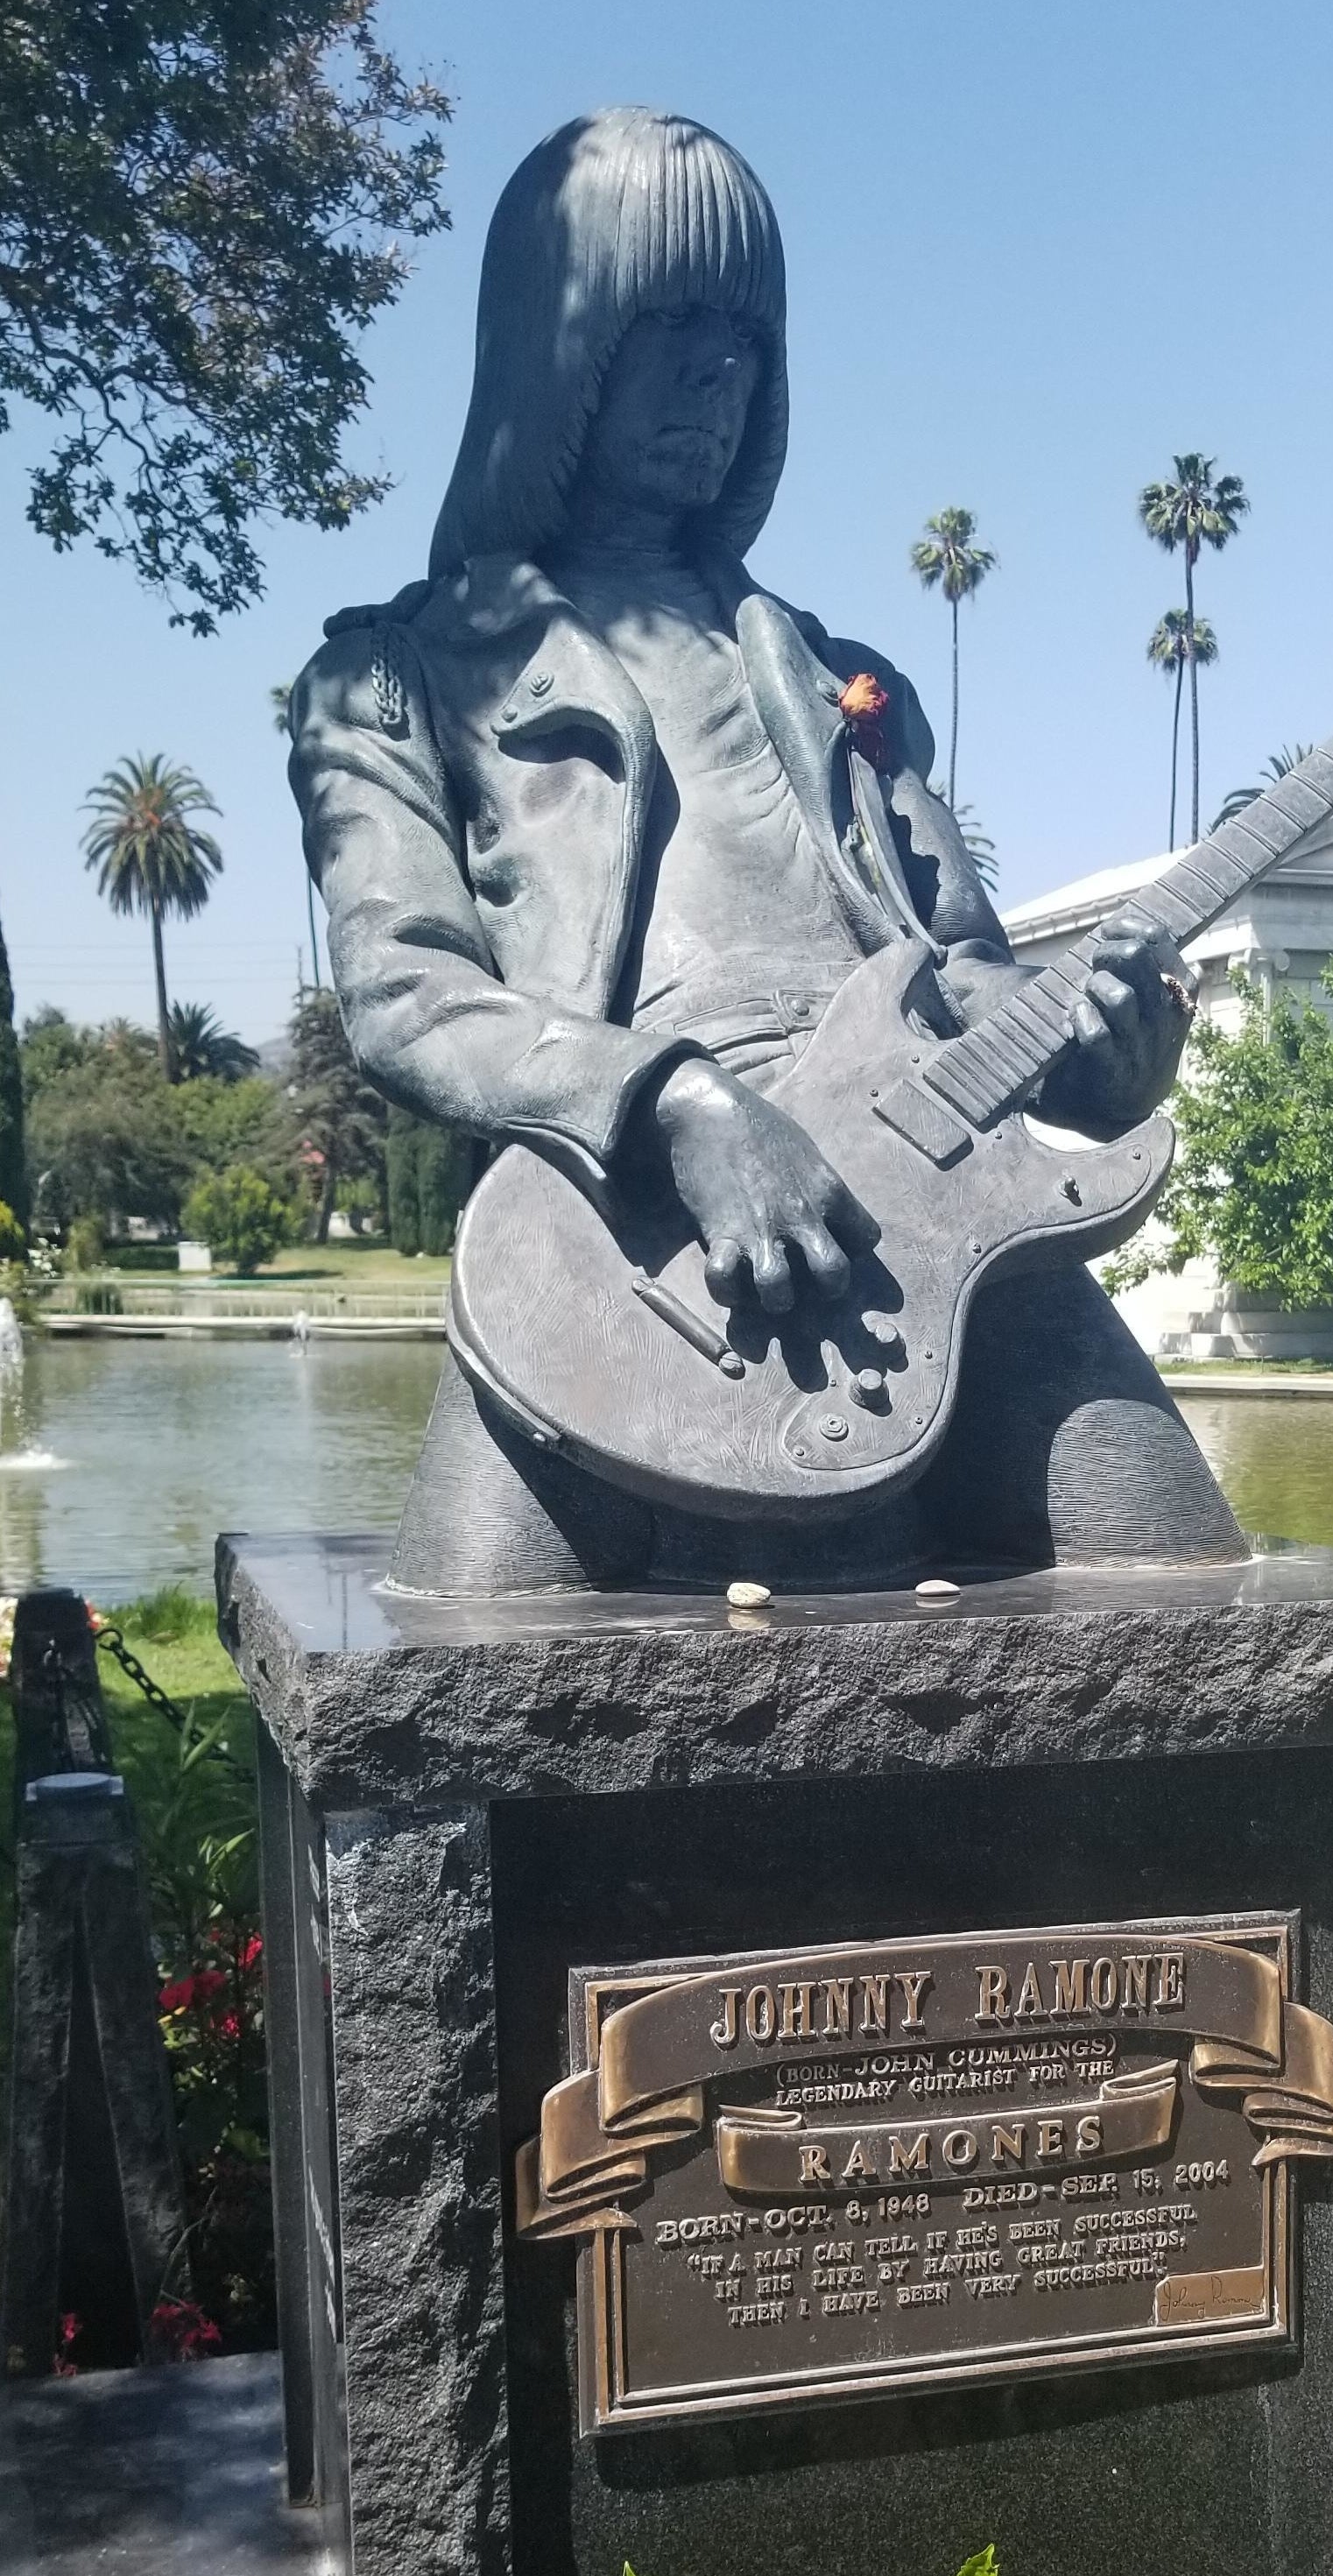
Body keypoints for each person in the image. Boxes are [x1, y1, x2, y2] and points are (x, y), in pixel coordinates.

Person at [290, 106, 1244, 1591]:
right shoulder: (395, 678)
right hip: (609, 1237)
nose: (716, 373)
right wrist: (677, 1102)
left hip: (927, 1205)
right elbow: (404, 992)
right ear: (558, 351)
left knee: (1179, 1568)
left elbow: (971, 973)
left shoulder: (842, 679)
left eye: (745, 336)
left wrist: (1094, 1057)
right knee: (462, 1671)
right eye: (667, 325)